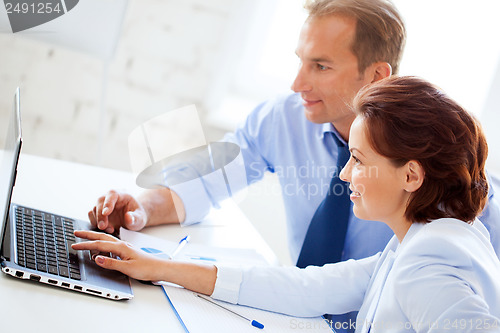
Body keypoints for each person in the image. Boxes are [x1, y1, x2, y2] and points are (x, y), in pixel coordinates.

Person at [74, 76, 500, 332]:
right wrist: (161, 267)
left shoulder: (427, 263)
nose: (345, 174)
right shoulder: (422, 238)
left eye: (358, 160)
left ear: (411, 175)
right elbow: (310, 288)